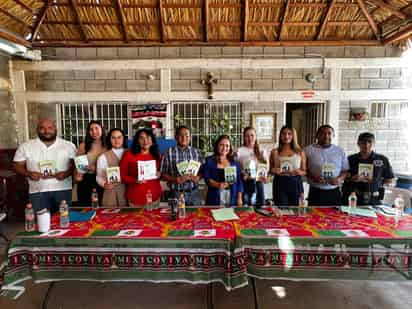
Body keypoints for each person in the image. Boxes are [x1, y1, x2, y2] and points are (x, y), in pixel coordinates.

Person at [14, 119, 76, 213]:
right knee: (41, 223)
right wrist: (29, 173)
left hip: (63, 190)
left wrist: (66, 173)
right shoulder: (26, 146)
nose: (46, 131)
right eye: (42, 128)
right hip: (37, 191)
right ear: (37, 130)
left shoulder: (68, 145)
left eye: (50, 128)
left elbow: (75, 165)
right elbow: (17, 166)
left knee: (64, 220)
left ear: (55, 129)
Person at [342, 132, 394, 205]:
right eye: (363, 142)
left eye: (369, 142)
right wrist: (351, 178)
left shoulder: (382, 159)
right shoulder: (350, 159)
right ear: (358, 144)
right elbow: (343, 177)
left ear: (374, 143)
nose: (366, 145)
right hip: (352, 198)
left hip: (374, 199)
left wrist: (376, 181)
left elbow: (389, 179)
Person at [305, 124, 349, 206]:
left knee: (335, 216)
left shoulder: (339, 151)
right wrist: (312, 176)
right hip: (316, 191)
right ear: (317, 135)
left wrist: (340, 179)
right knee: (314, 216)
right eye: (323, 133)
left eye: (329, 133)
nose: (326, 136)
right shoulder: (308, 150)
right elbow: (303, 169)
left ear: (333, 135)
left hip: (334, 191)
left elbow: (345, 170)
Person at [161, 125, 203, 205]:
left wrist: (198, 177)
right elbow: (163, 174)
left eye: (187, 135)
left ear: (190, 137)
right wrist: (175, 179)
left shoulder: (196, 152)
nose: (184, 138)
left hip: (194, 192)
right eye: (181, 135)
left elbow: (202, 171)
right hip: (176, 194)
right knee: (177, 217)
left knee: (196, 216)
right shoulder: (168, 153)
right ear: (176, 137)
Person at [120, 128, 162, 208]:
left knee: (155, 220)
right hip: (136, 197)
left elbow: (161, 173)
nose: (145, 141)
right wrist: (135, 180)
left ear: (152, 140)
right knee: (137, 220)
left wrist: (160, 174)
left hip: (154, 196)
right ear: (137, 141)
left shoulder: (157, 155)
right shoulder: (129, 155)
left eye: (148, 138)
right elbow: (122, 176)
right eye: (142, 138)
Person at [270, 125, 306, 206]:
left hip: (295, 183)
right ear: (280, 136)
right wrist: (274, 170)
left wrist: (298, 171)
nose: (286, 136)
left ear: (293, 136)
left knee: (295, 211)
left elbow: (304, 171)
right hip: (280, 183)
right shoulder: (274, 152)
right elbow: (270, 170)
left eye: (289, 134)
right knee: (282, 211)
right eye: (284, 134)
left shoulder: (300, 152)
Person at [203, 135, 243, 207]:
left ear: (230, 147)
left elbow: (239, 182)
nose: (224, 148)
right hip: (214, 197)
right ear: (217, 146)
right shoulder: (209, 160)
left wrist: (239, 198)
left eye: (227, 146)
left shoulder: (234, 162)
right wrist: (218, 184)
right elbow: (207, 178)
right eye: (221, 145)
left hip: (232, 196)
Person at [74, 121, 107, 206]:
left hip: (102, 180)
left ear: (102, 129)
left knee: (101, 208)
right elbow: (77, 166)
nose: (94, 131)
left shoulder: (108, 145)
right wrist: (77, 176)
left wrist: (96, 168)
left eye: (96, 128)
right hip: (86, 181)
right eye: (91, 129)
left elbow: (112, 165)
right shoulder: (83, 146)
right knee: (85, 207)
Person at [237, 127, 268, 207]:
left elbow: (266, 168)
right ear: (244, 137)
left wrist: (265, 176)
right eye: (247, 136)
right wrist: (242, 173)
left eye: (252, 135)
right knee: (245, 209)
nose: (250, 138)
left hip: (258, 183)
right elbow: (236, 168)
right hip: (245, 183)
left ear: (256, 137)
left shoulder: (262, 151)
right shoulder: (239, 151)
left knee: (260, 208)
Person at [96, 128, 128, 207]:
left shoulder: (130, 153)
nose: (116, 140)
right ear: (109, 139)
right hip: (111, 192)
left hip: (128, 192)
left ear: (124, 139)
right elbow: (99, 177)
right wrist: (104, 184)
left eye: (119, 137)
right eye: (113, 138)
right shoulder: (103, 157)